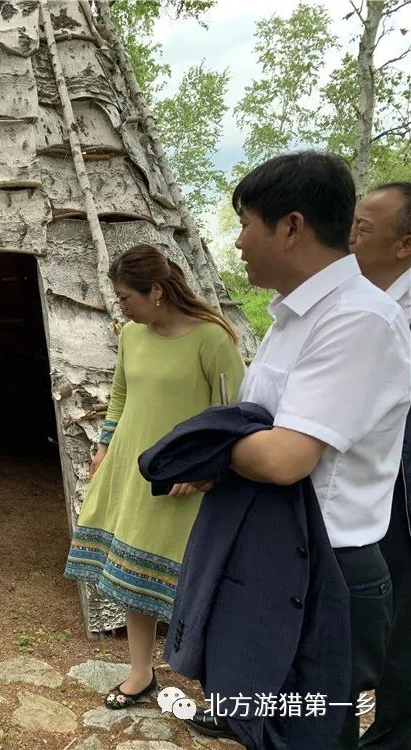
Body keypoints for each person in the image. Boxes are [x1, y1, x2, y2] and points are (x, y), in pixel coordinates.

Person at [184, 153, 411, 749]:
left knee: (310, 736)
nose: (236, 243)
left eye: (244, 224)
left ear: (291, 227)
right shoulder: (294, 318)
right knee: (265, 728)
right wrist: (233, 446)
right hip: (275, 557)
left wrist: (210, 448)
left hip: (326, 571)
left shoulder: (360, 319)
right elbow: (259, 432)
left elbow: (286, 458)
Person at [64, 245, 245, 709]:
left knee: (199, 581)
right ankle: (141, 672)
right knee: (131, 572)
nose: (121, 304)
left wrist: (205, 466)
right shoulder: (131, 335)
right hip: (133, 468)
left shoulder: (212, 339)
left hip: (189, 481)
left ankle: (219, 686)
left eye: (127, 296)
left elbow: (234, 414)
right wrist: (105, 445)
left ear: (157, 291)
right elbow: (121, 394)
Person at [349, 181, 411, 750]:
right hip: (378, 492)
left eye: (364, 227)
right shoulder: (363, 303)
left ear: (405, 244)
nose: (350, 235)